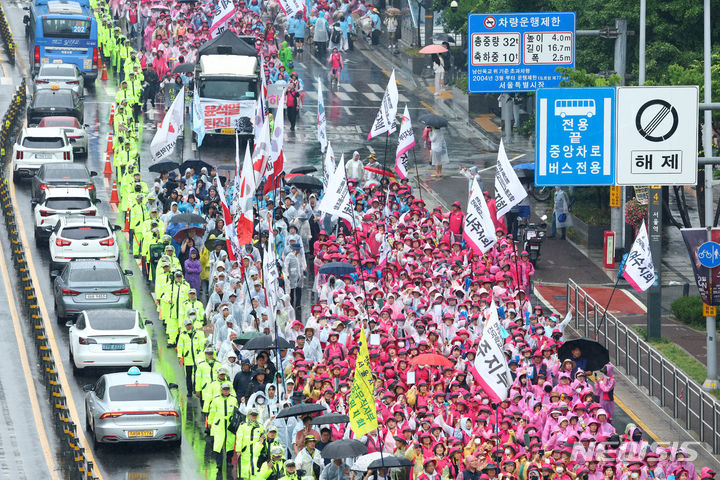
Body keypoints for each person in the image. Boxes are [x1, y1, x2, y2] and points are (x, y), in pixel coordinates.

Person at [207, 381, 239, 479]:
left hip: (229, 426)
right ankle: (219, 464)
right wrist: (210, 422)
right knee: (218, 445)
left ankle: (228, 461)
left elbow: (236, 412)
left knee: (229, 444)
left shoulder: (233, 400)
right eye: (224, 389)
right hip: (219, 425)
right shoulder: (216, 400)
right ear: (221, 390)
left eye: (227, 389)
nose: (226, 391)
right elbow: (212, 412)